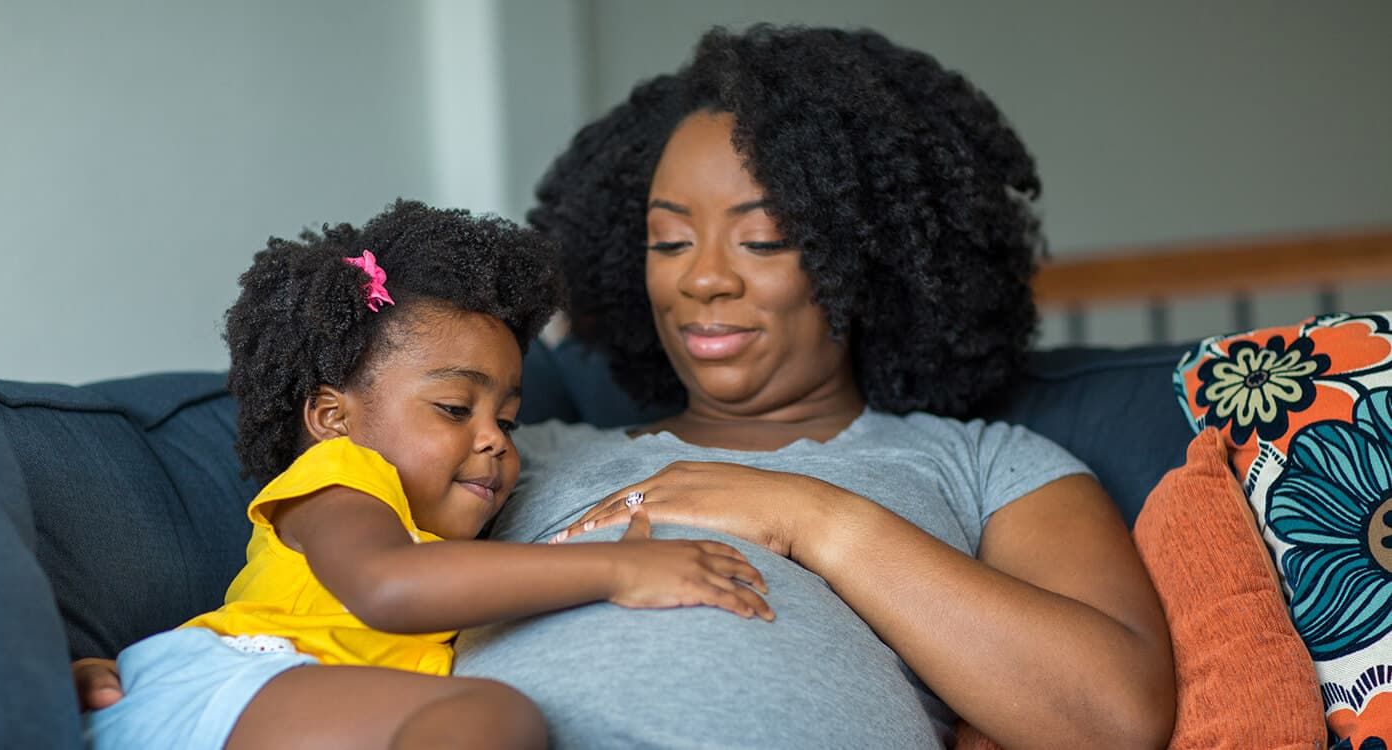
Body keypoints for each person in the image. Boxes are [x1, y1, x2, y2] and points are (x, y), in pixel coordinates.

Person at [79, 25, 1176, 749]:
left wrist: (812, 517)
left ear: (866, 252)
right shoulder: (503, 449)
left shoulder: (985, 464)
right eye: (665, 240)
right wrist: (167, 684)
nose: (701, 277)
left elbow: (1111, 717)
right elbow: (336, 592)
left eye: (765, 239)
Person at [79, 200, 773, 750]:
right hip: (234, 681)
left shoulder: (443, 539)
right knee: (489, 715)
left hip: (290, 706)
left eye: (507, 419)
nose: (494, 442)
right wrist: (618, 571)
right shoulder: (340, 479)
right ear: (332, 415)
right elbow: (389, 588)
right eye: (453, 407)